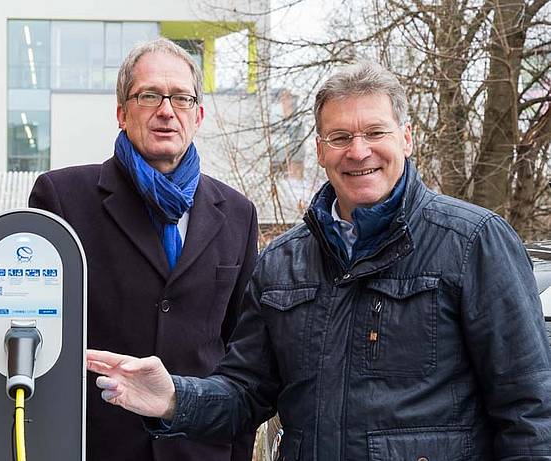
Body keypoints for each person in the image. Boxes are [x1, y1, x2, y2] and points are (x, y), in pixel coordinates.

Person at [87, 61, 551, 460]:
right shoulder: (283, 263)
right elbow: (245, 394)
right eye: (339, 136)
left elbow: (529, 408)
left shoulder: (473, 243)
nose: (358, 150)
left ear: (406, 138)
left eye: (375, 132)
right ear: (320, 150)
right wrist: (173, 398)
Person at [29, 38, 258, 461]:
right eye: (149, 95)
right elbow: (42, 339)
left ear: (199, 115)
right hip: (99, 447)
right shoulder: (62, 198)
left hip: (200, 449)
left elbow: (241, 355)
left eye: (182, 98)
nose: (166, 110)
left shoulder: (238, 214)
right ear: (121, 112)